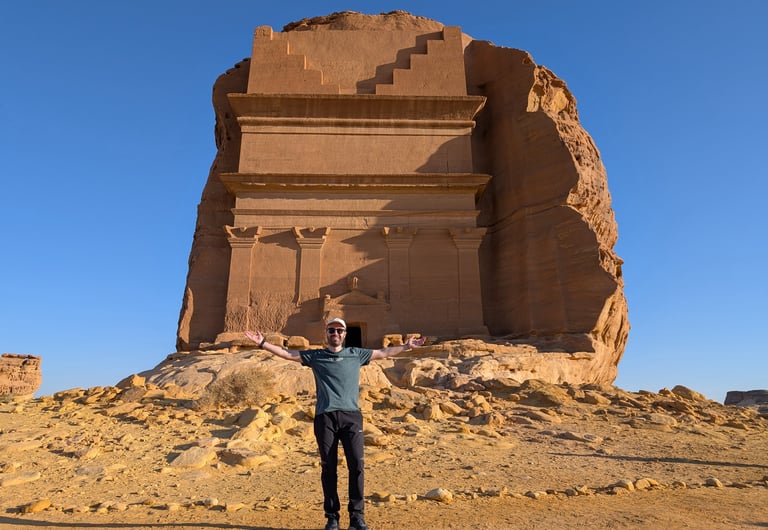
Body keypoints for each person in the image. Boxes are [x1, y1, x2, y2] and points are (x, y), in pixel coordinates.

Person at [245, 318, 426, 530]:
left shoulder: (356, 354)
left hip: (351, 416)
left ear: (345, 334)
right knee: (328, 468)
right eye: (332, 330)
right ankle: (332, 518)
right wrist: (262, 343)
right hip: (325, 417)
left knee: (357, 466)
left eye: (340, 330)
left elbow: (383, 353)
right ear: (327, 333)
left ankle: (357, 518)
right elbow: (288, 354)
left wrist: (406, 346)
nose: (336, 334)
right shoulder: (316, 356)